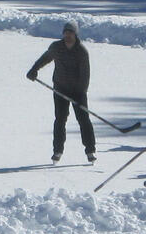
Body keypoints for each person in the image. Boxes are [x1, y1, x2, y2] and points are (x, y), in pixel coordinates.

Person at [27, 23, 96, 163]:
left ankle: (90, 150)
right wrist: (34, 69)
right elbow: (45, 58)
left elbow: (85, 75)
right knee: (60, 120)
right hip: (60, 88)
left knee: (83, 120)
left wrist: (80, 92)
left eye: (70, 33)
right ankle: (57, 151)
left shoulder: (81, 51)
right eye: (66, 33)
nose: (68, 36)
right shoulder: (56, 47)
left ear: (75, 34)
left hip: (78, 91)